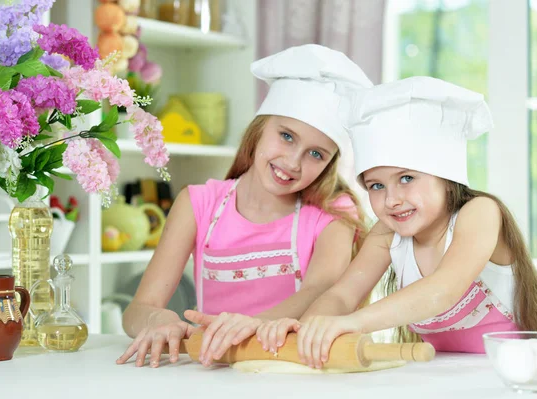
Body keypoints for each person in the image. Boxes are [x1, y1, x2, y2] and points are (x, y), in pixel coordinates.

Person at [265, 76, 537, 369]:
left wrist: (352, 323)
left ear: (446, 175)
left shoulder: (480, 212)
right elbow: (342, 294)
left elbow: (442, 290)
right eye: (376, 186)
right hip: (435, 380)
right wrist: (312, 329)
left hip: (510, 378)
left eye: (406, 179)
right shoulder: (387, 233)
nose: (391, 200)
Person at [116, 44, 373, 368]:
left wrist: (254, 324)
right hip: (216, 375)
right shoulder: (198, 204)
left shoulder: (333, 211)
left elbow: (320, 290)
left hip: (294, 376)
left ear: (329, 163)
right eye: (287, 136)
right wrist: (158, 319)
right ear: (259, 129)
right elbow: (137, 311)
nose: (293, 162)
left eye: (316, 154)